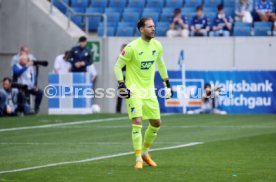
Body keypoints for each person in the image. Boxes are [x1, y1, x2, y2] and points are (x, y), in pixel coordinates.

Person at [114, 17, 173, 169]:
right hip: (133, 91)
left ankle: (145, 153)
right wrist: (121, 85)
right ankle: (138, 158)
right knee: (137, 122)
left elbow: (161, 64)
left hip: (149, 91)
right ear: (141, 29)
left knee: (156, 123)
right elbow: (117, 66)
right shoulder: (132, 47)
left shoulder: (157, 45)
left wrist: (167, 83)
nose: (153, 29)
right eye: (149, 27)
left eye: (154, 26)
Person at [116, 44, 127, 113]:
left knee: (132, 96)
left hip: (130, 79)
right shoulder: (120, 58)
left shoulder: (130, 58)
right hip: (122, 80)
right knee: (120, 96)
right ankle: (118, 111)